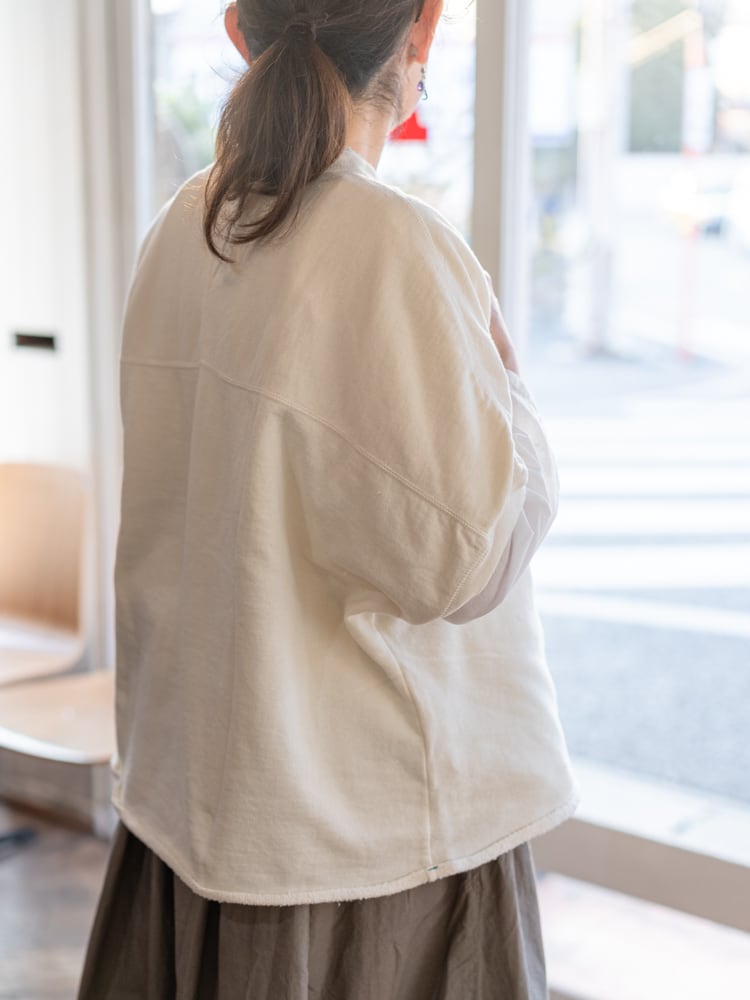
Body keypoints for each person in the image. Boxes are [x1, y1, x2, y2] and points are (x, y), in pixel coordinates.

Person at [79, 1, 577, 997]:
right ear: (422, 31)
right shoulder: (394, 244)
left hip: (200, 809)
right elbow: (469, 562)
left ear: (238, 31)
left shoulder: (182, 227)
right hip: (371, 846)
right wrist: (513, 393)